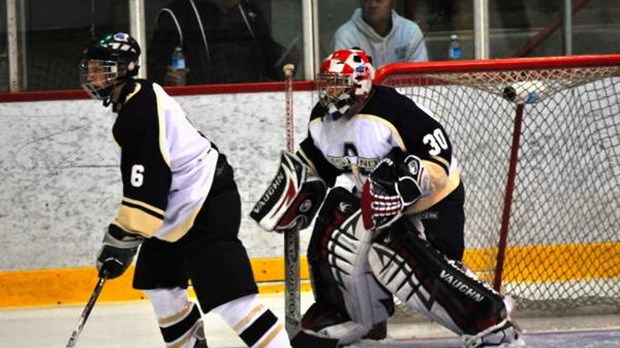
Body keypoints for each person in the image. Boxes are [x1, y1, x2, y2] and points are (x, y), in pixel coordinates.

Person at [251, 48, 526, 348]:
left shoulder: (394, 109)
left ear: (360, 84)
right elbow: (318, 160)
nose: (329, 91)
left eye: (337, 83)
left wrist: (405, 186)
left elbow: (439, 159)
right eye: (327, 82)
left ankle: (491, 322)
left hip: (432, 202)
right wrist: (299, 187)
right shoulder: (322, 120)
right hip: (376, 203)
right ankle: (354, 319)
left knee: (414, 263)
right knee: (337, 231)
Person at [79, 32, 291, 348]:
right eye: (92, 68)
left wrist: (122, 235)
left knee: (230, 300)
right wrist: (125, 234)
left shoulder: (138, 111)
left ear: (128, 68)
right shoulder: (136, 98)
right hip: (179, 208)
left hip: (206, 202)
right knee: (160, 285)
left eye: (104, 69)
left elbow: (149, 182)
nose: (95, 76)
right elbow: (150, 181)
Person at [148, 0, 297, 86]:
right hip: (196, 111)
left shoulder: (249, 12)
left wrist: (287, 61)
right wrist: (168, 78)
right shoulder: (176, 15)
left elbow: (269, 63)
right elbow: (154, 71)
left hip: (251, 106)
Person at [333, 0, 428, 68]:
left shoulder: (410, 31)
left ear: (393, 3)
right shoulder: (346, 36)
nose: (373, 5)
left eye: (379, 0)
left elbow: (420, 78)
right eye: (367, 0)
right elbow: (346, 84)